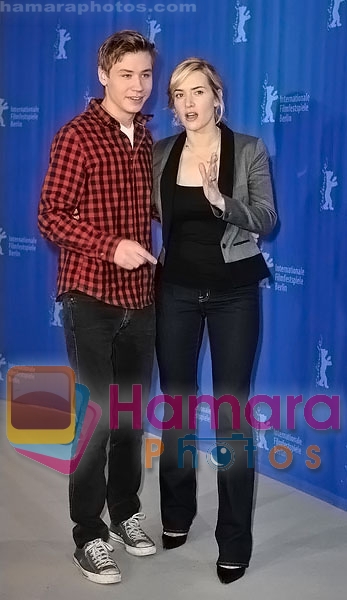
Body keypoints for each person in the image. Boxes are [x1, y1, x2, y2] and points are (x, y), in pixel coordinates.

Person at [38, 30, 158, 585]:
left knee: (130, 418)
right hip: (90, 297)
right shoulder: (77, 136)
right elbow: (51, 216)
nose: (138, 86)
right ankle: (88, 534)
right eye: (127, 74)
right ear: (103, 75)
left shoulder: (145, 137)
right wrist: (111, 246)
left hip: (141, 302)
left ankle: (125, 514)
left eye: (146, 75)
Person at [153, 58, 277, 584]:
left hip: (234, 295)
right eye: (178, 94)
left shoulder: (247, 149)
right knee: (177, 407)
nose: (187, 103)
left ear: (216, 95)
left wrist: (221, 201)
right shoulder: (160, 153)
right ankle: (176, 516)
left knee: (231, 416)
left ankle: (234, 541)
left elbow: (267, 220)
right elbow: (147, 213)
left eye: (197, 91)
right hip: (175, 292)